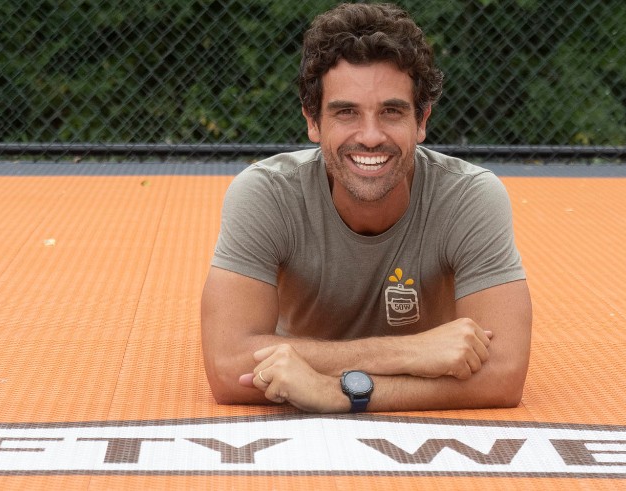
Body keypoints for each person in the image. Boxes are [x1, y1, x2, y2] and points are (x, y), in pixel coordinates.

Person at [200, 2, 531, 413]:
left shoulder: (470, 197)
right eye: (346, 113)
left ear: (422, 120)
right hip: (413, 378)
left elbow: (503, 375)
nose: (371, 136)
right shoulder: (267, 193)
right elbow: (229, 366)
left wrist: (337, 392)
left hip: (296, 374)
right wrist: (408, 354)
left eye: (391, 112)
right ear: (313, 121)